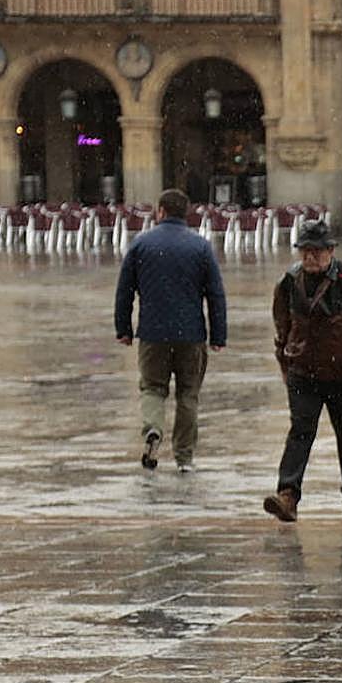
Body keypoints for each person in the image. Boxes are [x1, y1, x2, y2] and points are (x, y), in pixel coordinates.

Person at [263, 220, 342, 522]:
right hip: (303, 372)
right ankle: (288, 496)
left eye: (317, 251)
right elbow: (283, 327)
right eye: (305, 251)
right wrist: (285, 363)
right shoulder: (289, 282)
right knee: (300, 431)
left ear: (330, 251)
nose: (310, 257)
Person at [114, 188, 227, 473]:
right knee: (188, 395)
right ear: (185, 213)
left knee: (152, 388)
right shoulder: (200, 247)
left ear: (160, 212)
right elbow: (215, 294)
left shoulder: (141, 244)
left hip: (152, 333)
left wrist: (124, 328)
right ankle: (184, 457)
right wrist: (219, 335)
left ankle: (153, 430)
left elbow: (124, 291)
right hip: (191, 334)